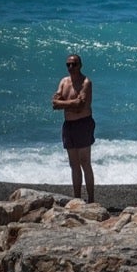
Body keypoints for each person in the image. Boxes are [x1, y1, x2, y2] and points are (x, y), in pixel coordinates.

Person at [51, 53, 95, 203]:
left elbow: (81, 105)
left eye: (74, 64)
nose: (71, 67)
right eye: (68, 64)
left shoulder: (86, 83)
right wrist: (72, 104)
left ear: (80, 65)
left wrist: (64, 105)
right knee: (73, 164)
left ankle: (91, 199)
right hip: (69, 125)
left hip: (83, 123)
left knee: (85, 162)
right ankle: (77, 199)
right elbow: (55, 102)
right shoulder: (64, 82)